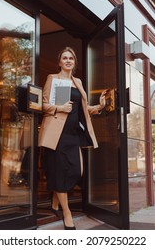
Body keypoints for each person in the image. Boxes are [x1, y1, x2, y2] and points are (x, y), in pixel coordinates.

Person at [38, 47, 106, 230]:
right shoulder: (53, 78)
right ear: (59, 62)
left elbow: (83, 109)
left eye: (71, 58)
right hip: (57, 133)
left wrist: (99, 106)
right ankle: (66, 213)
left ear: (74, 63)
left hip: (73, 134)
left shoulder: (78, 82)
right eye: (64, 58)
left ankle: (55, 199)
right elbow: (42, 104)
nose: (68, 61)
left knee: (77, 171)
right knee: (60, 171)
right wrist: (59, 108)